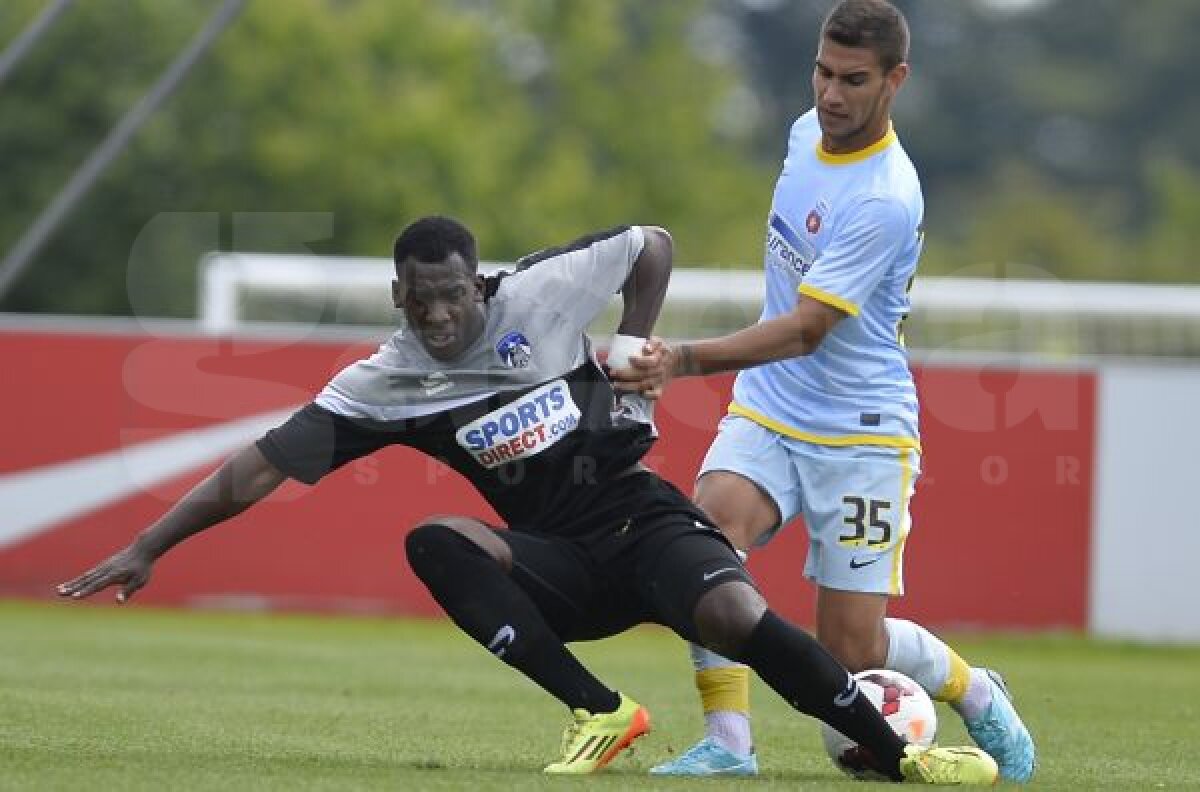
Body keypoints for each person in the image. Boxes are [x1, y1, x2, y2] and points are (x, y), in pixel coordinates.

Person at [58, 216, 997, 783]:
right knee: (437, 538)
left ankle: (900, 752)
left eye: (451, 298)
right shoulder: (383, 382)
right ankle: (601, 712)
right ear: (398, 293)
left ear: (480, 282)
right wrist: (151, 544)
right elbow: (258, 465)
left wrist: (635, 351)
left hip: (641, 518)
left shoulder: (542, 292)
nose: (436, 318)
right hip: (560, 561)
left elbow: (650, 246)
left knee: (733, 610)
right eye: (418, 302)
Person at [613, 0, 1036, 783]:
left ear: (895, 80)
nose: (830, 94)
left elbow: (809, 328)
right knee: (702, 549)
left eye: (852, 79)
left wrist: (684, 360)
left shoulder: (885, 196)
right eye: (821, 72)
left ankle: (976, 688)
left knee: (851, 648)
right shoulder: (804, 135)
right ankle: (730, 744)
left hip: (864, 431)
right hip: (773, 406)